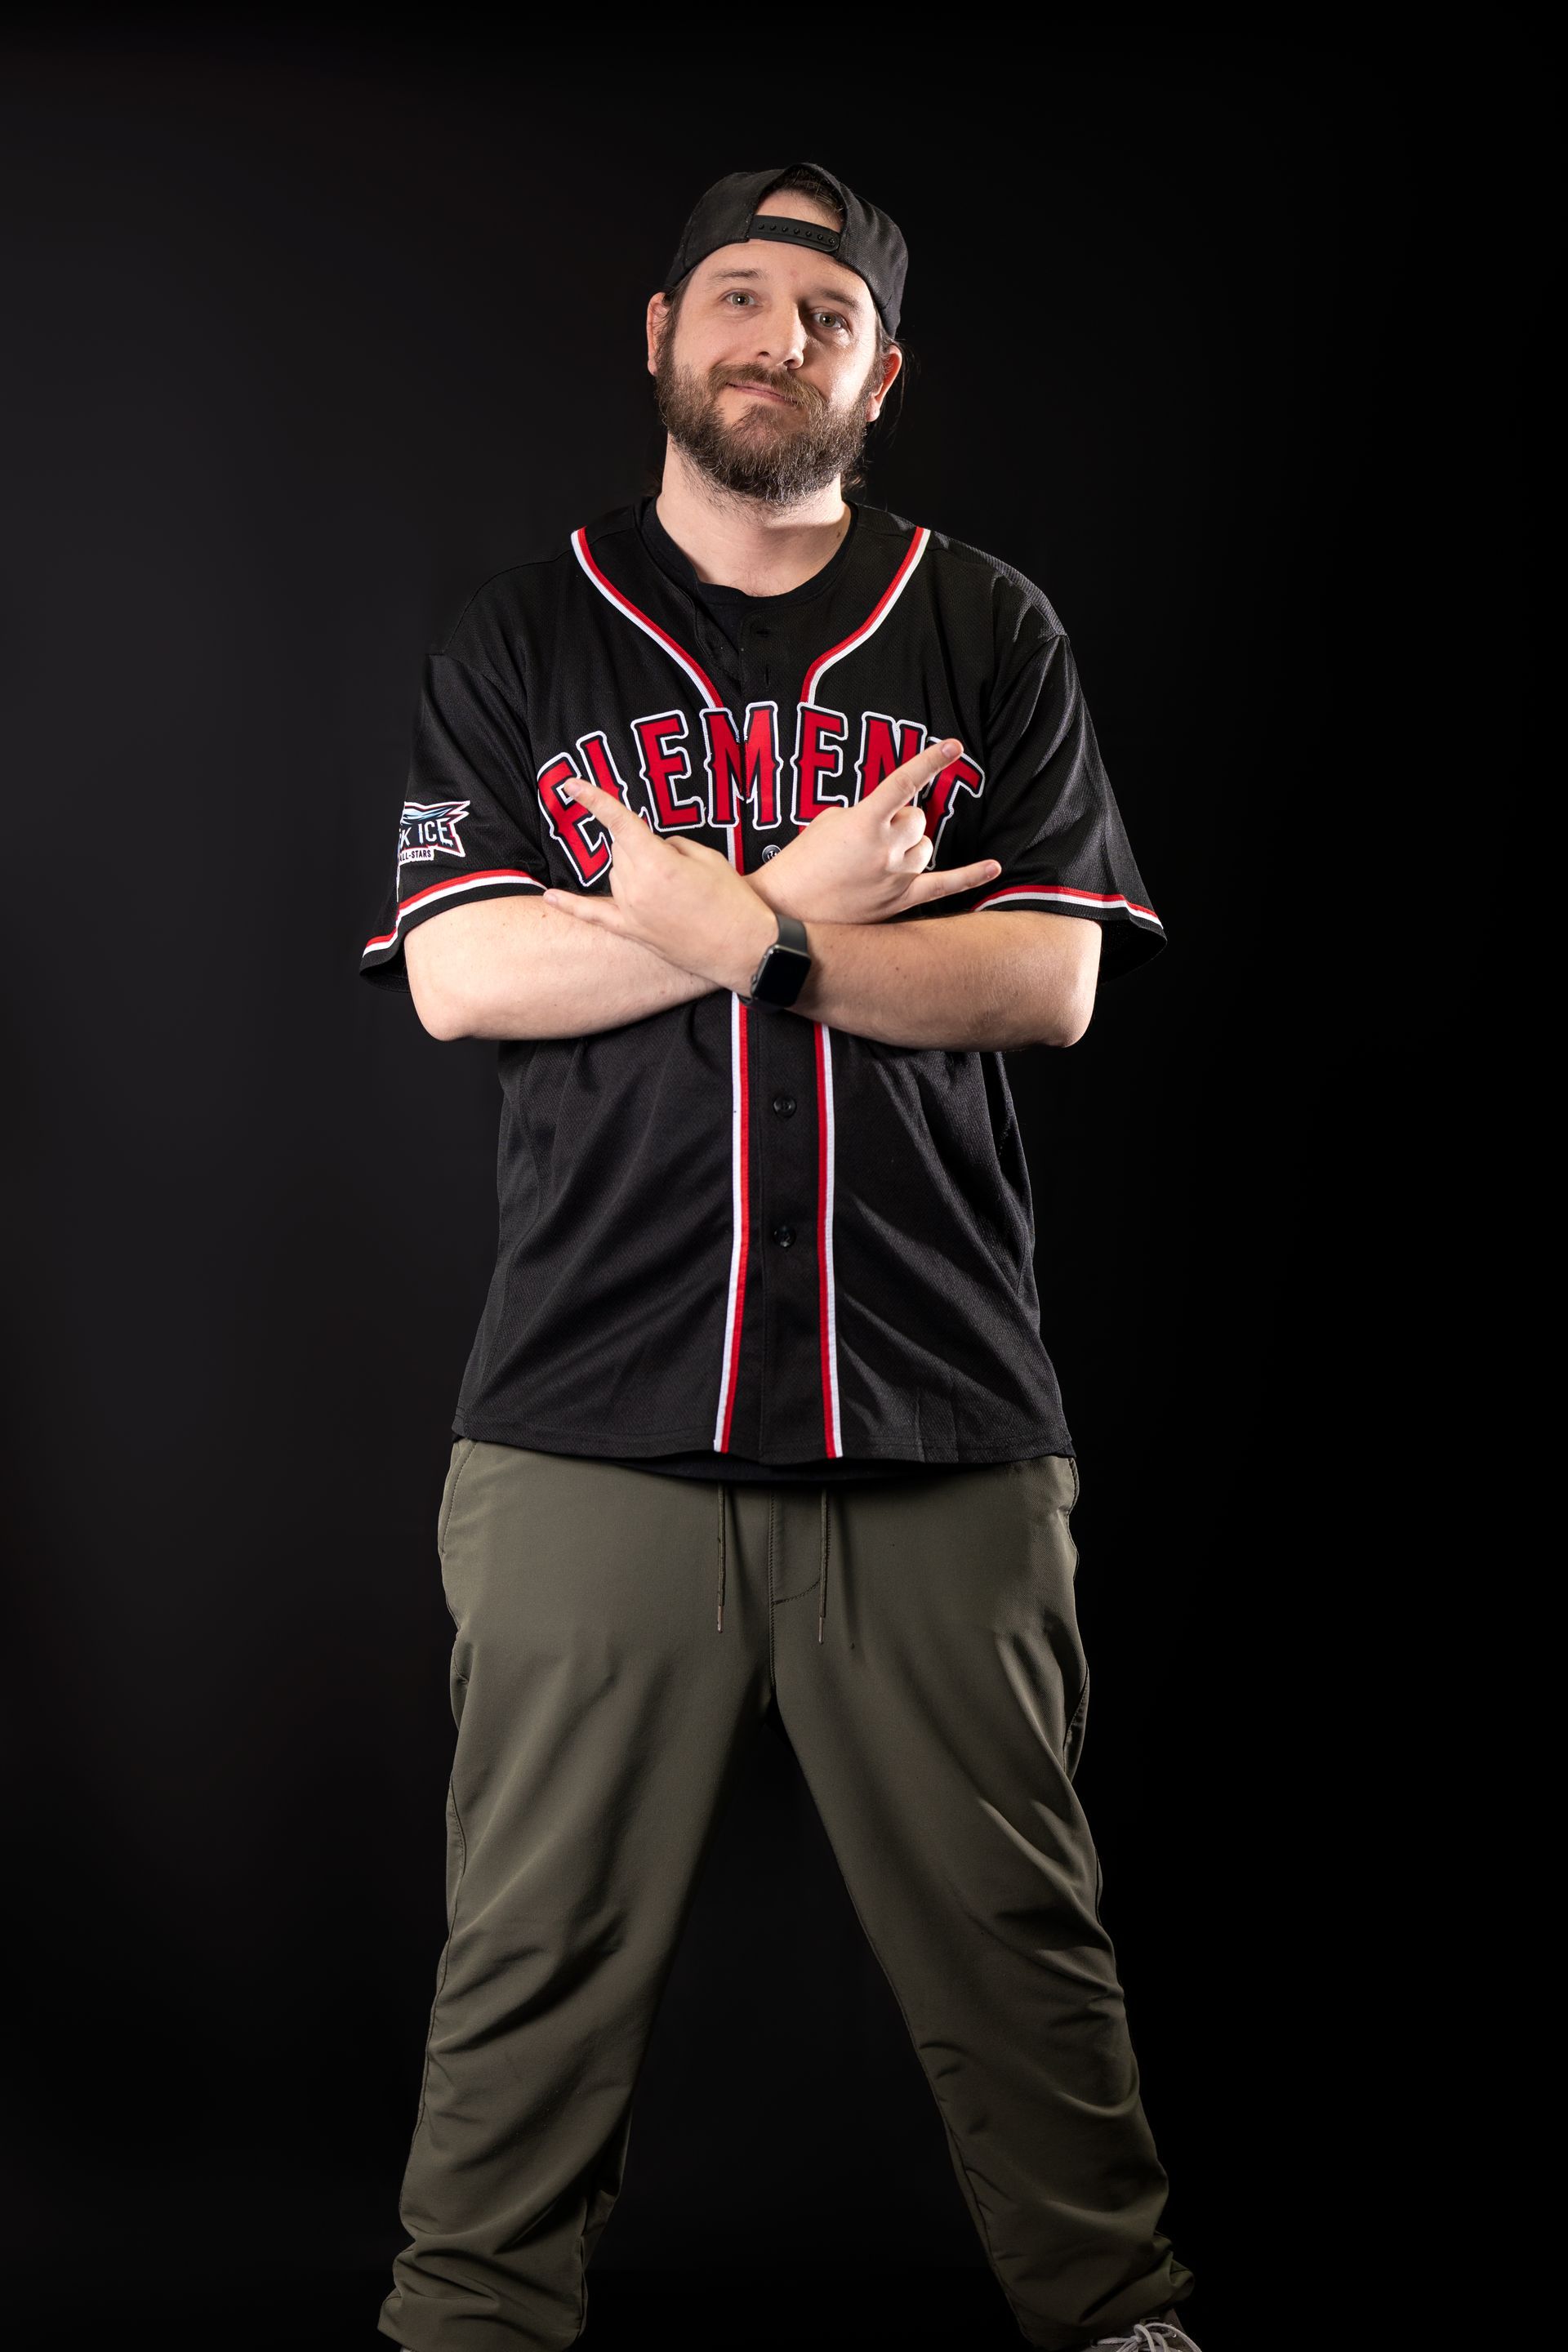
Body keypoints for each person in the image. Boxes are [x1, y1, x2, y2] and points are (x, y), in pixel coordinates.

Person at [359, 160, 1200, 2352]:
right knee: (524, 1970)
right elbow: (461, 976)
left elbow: (1047, 986)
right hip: (586, 1410)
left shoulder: (980, 625)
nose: (773, 334)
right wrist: (823, 906)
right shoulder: (523, 634)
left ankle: (1118, 2320)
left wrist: (722, 925)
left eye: (822, 313)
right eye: (736, 293)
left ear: (880, 372)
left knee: (1026, 1959)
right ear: (659, 331)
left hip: (933, 1399)